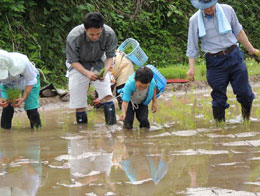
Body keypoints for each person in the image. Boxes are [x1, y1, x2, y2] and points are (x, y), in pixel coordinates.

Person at [186, 0, 259, 122]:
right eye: (205, 7)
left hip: (234, 55)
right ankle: (220, 129)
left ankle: (246, 120)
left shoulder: (228, 10)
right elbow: (192, 46)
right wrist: (191, 68)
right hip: (214, 62)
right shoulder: (194, 20)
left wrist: (251, 50)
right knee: (218, 98)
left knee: (245, 93)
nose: (208, 9)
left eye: (210, 6)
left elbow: (238, 31)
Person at [66, 12, 117, 125]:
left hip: (99, 62)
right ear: (85, 29)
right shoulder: (74, 36)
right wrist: (86, 73)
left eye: (98, 34)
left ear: (102, 28)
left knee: (107, 96)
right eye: (91, 34)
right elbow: (72, 60)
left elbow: (110, 56)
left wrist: (106, 71)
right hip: (78, 65)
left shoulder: (109, 34)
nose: (95, 37)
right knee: (79, 104)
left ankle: (112, 129)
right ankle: (82, 134)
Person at [0, 49, 41, 129]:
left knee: (31, 110)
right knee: (7, 107)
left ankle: (37, 132)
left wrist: (23, 98)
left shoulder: (23, 62)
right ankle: (6, 134)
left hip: (28, 82)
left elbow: (31, 80)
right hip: (7, 85)